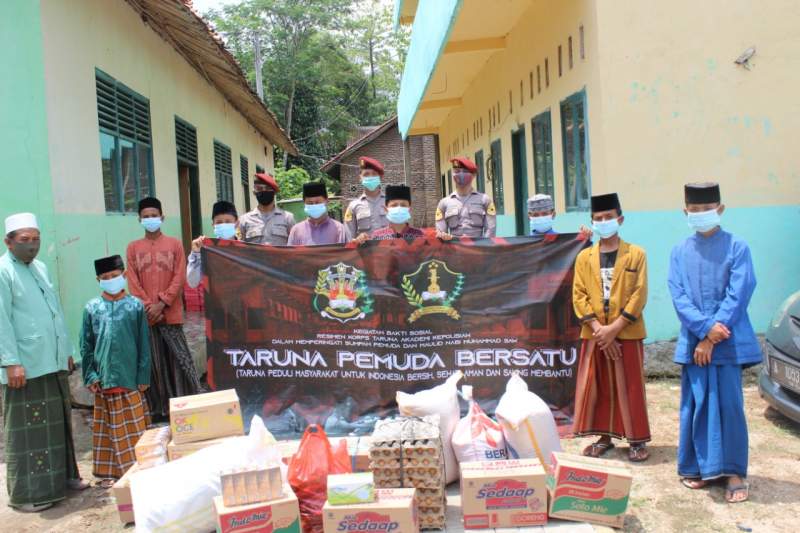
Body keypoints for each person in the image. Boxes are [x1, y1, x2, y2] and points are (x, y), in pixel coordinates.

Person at [668, 182, 760, 504]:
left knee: (729, 405)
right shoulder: (679, 251)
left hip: (728, 339)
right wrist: (705, 330)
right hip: (695, 340)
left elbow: (740, 291)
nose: (700, 215)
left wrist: (712, 335)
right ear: (685, 212)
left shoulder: (738, 247)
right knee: (695, 403)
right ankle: (696, 467)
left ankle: (733, 471)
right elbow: (678, 296)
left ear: (720, 209)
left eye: (706, 209)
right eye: (694, 210)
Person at [0, 212, 88, 512]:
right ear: (8, 242)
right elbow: (2, 322)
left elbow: (54, 311)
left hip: (51, 360)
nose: (32, 245)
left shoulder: (39, 267)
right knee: (30, 432)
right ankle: (29, 494)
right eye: (24, 240)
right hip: (25, 365)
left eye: (36, 239)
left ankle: (62, 479)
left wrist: (65, 350)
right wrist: (10, 362)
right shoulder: (3, 271)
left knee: (58, 424)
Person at [571, 193, 651, 462]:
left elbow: (639, 294)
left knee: (631, 386)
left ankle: (637, 439)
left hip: (626, 332)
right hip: (595, 334)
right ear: (592, 222)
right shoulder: (584, 258)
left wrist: (614, 329)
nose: (604, 222)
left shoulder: (636, 254)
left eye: (609, 217)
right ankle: (604, 437)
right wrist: (599, 330)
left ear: (620, 219)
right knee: (600, 386)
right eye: (598, 218)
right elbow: (578, 295)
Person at [126, 197, 201, 420]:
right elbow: (132, 281)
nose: (150, 219)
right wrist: (149, 307)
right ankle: (156, 410)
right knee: (152, 363)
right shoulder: (133, 248)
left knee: (178, 360)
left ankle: (185, 404)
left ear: (162, 217)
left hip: (170, 313)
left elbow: (179, 276)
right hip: (146, 316)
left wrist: (163, 303)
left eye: (154, 215)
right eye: (146, 216)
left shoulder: (175, 244)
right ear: (139, 219)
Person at [80, 255, 151, 488]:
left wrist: (143, 376)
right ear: (98, 280)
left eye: (114, 276)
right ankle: (110, 471)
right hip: (104, 378)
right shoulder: (91, 308)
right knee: (108, 426)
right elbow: (86, 344)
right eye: (105, 278)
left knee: (133, 425)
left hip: (130, 378)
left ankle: (138, 467)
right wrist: (90, 374)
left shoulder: (135, 306)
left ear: (124, 275)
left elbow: (144, 344)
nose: (111, 280)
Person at [435, 156, 496, 238]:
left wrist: (480, 246)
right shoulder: (443, 204)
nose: (460, 174)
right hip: (454, 248)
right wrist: (442, 235)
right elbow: (441, 233)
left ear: (473, 175)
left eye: (465, 171)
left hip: (477, 248)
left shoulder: (485, 200)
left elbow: (490, 232)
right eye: (457, 171)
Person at [187, 200, 238, 289]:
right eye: (219, 222)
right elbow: (192, 282)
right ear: (213, 225)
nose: (224, 225)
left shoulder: (246, 249)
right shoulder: (206, 250)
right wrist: (196, 253)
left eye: (228, 221)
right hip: (216, 301)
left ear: (237, 223)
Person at [238, 172, 295, 245]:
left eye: (268, 188)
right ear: (254, 192)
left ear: (274, 192)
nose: (264, 191)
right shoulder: (244, 220)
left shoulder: (288, 218)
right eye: (260, 188)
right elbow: (239, 248)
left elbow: (294, 246)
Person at [353, 184, 425, 242]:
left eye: (403, 205)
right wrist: (361, 242)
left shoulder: (420, 236)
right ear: (386, 209)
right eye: (394, 205)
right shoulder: (377, 237)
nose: (399, 208)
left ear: (409, 209)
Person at [287, 181, 349, 245]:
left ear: (327, 201)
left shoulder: (339, 229)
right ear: (304, 203)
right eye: (310, 203)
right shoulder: (296, 231)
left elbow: (344, 253)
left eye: (317, 202)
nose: (314, 205)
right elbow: (291, 254)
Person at [345, 156, 389, 239]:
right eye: (366, 174)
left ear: (380, 177)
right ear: (360, 178)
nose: (370, 177)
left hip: (388, 251)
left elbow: (400, 233)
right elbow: (349, 239)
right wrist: (357, 240)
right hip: (365, 251)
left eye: (374, 174)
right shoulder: (353, 206)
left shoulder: (390, 203)